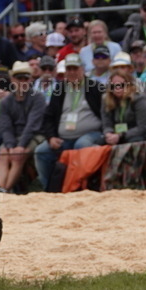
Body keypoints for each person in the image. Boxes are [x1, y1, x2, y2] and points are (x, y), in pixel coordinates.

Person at [34, 53, 106, 190]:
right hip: (63, 138)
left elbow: (106, 113)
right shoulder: (59, 89)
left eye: (75, 69)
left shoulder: (95, 87)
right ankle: (50, 189)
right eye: (69, 69)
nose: (72, 72)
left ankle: (81, 186)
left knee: (82, 145)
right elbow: (48, 117)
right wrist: (50, 137)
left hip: (92, 134)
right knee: (41, 151)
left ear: (83, 69)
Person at [0, 61, 45, 191]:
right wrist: (11, 145)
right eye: (19, 78)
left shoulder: (38, 98)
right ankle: (1, 188)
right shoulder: (6, 102)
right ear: (13, 79)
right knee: (2, 155)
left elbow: (32, 126)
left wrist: (19, 146)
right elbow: (5, 127)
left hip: (36, 135)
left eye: (26, 78)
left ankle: (5, 190)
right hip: (14, 137)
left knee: (18, 156)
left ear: (30, 80)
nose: (23, 81)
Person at [101, 73, 146, 145]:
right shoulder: (106, 100)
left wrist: (120, 136)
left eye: (121, 85)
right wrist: (108, 134)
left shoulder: (139, 99)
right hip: (119, 134)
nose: (117, 88)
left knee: (132, 142)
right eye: (113, 86)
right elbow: (106, 123)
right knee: (101, 141)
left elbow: (143, 127)